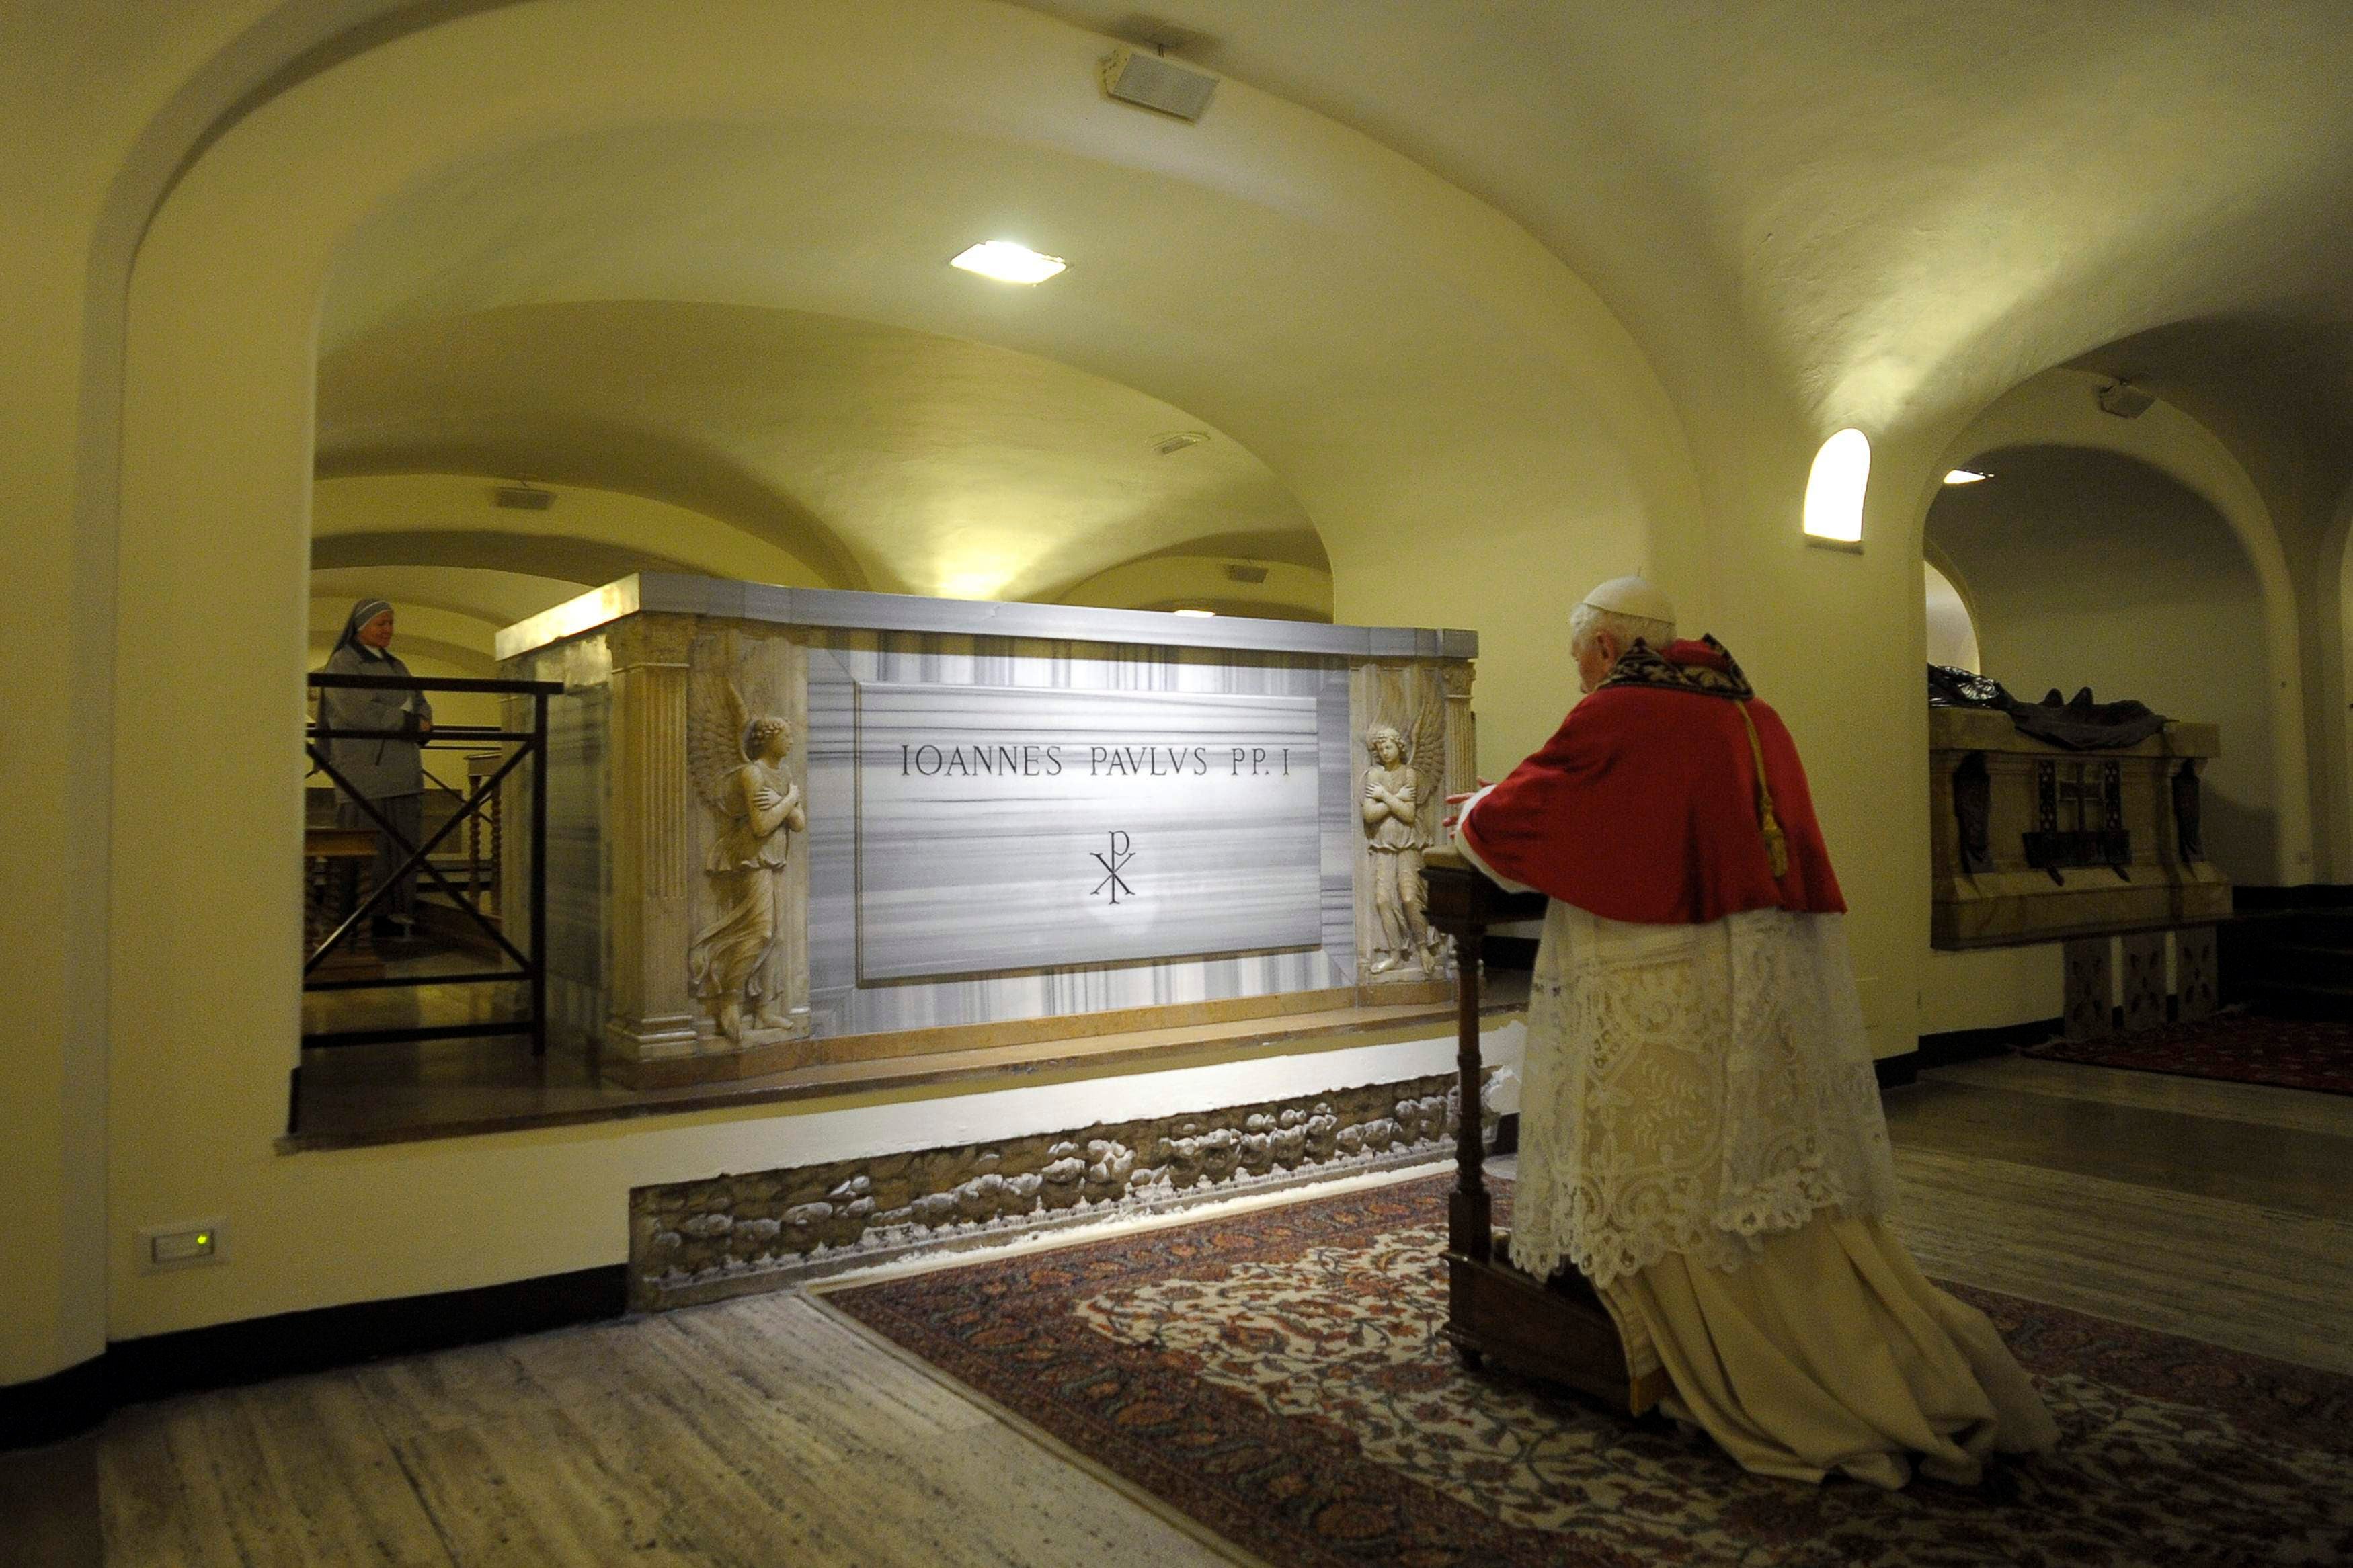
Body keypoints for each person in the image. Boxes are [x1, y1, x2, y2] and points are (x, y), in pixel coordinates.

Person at [1451, 575, 2057, 1491]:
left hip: (1646, 984)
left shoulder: (1622, 712)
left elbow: (1516, 817)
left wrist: (1468, 808)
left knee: (1662, 1170)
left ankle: (1667, 1333)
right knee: (1736, 1164)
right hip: (1742, 987)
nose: (1581, 683)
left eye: (1581, 664)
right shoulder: (1750, 712)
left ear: (1609, 651)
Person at [317, 597, 434, 937]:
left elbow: (422, 702)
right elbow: (357, 710)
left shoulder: (398, 666)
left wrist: (419, 719)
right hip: (364, 773)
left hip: (403, 770)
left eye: (391, 624)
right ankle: (357, 919)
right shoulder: (343, 663)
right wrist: (408, 720)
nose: (388, 631)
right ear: (360, 626)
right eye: (381, 624)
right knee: (367, 851)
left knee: (403, 849)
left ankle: (398, 914)